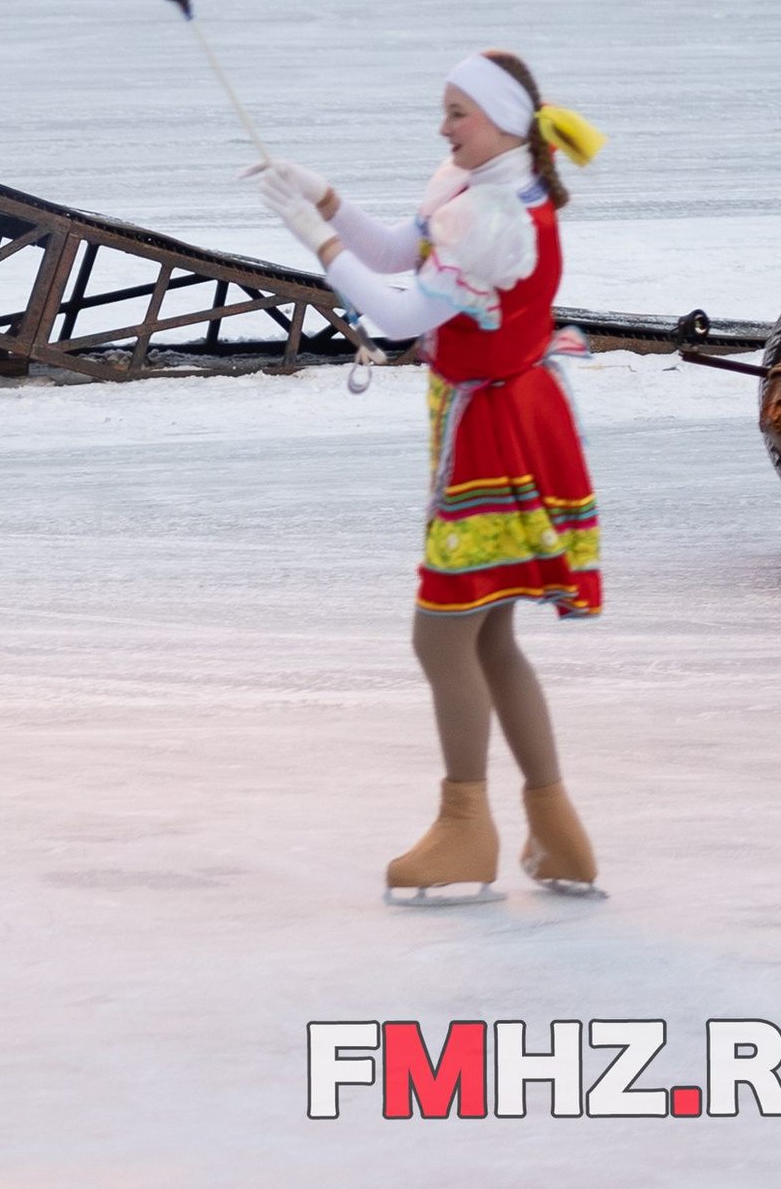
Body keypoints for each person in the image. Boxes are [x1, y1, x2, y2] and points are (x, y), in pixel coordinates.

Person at [248, 51, 607, 905]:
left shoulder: (496, 217)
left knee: (442, 634)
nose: (444, 126)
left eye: (458, 112)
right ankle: (559, 834)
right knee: (489, 637)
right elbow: (398, 248)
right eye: (444, 110)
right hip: (501, 417)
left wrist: (314, 240)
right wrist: (325, 196)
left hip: (494, 438)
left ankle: (465, 829)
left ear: (503, 122)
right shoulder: (478, 183)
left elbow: (399, 312)